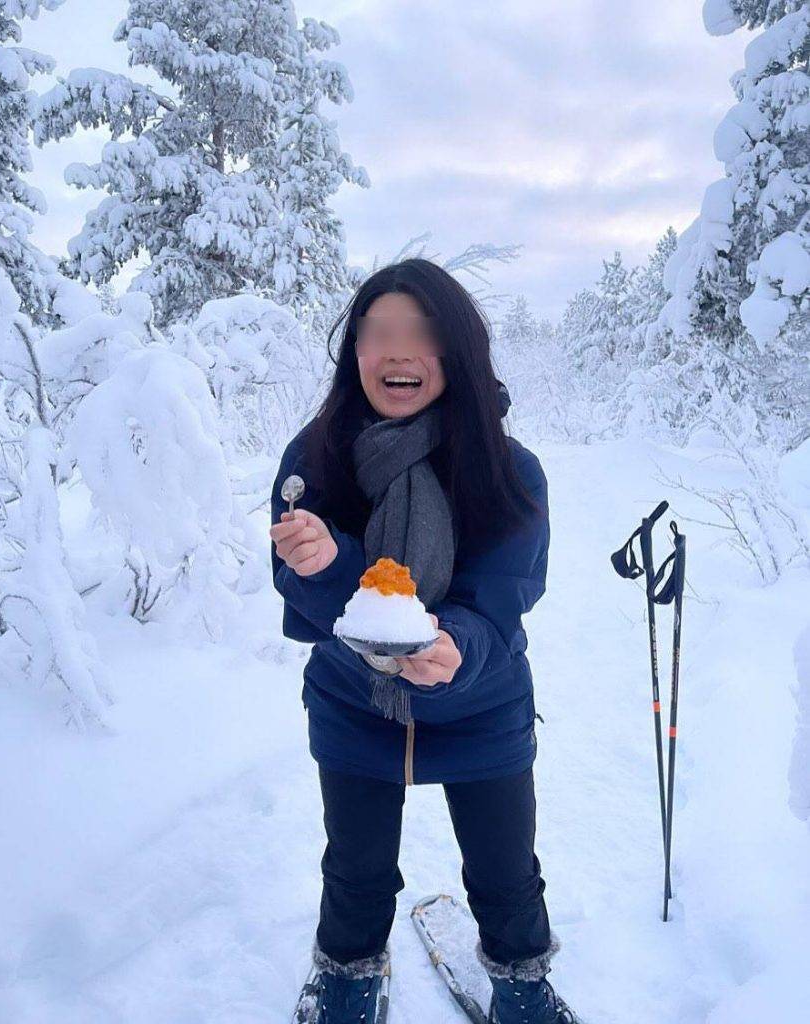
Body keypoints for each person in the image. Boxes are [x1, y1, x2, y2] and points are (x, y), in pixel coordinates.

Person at [269, 258, 582, 1024]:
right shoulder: (313, 460)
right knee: (356, 868)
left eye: (421, 333)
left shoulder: (509, 469)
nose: (398, 352)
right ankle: (346, 972)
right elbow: (310, 609)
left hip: (480, 703)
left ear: (458, 353)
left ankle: (520, 980)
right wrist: (326, 562)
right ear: (355, 353)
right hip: (353, 706)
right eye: (378, 333)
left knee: (506, 872)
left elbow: (503, 599)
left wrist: (455, 650)